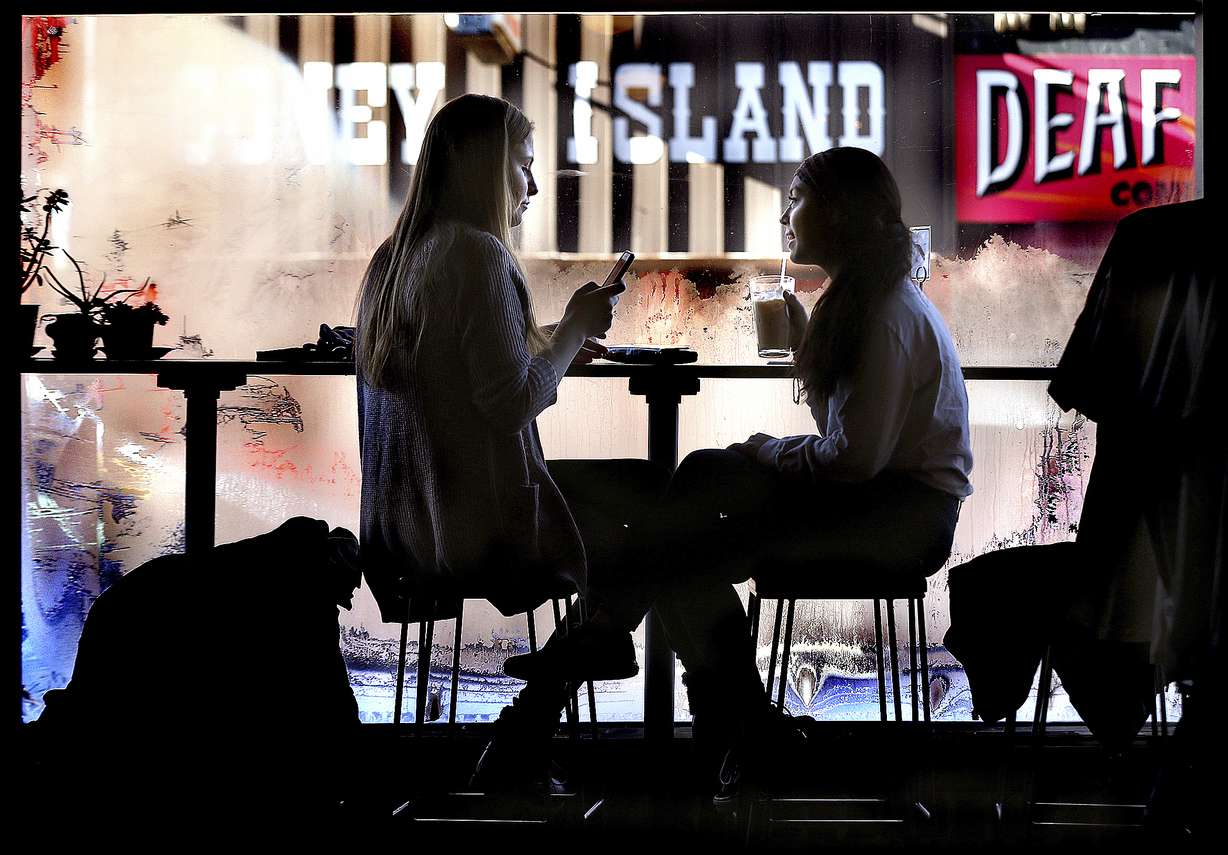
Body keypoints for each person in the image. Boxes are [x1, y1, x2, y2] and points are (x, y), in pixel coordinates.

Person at [509, 147, 974, 797]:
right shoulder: (868, 298)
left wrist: (764, 450)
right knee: (691, 511)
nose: (788, 213)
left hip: (899, 515)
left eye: (798, 197)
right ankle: (729, 726)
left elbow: (852, 459)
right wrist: (810, 361)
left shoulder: (885, 311)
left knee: (685, 528)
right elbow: (849, 442)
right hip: (881, 502)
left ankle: (637, 668)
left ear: (838, 212)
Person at [354, 94, 666, 792]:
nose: (531, 185)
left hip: (402, 531)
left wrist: (554, 341)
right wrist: (579, 329)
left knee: (641, 506)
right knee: (656, 497)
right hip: (480, 529)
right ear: (483, 169)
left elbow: (466, 375)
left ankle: (552, 692)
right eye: (522, 166)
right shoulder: (477, 254)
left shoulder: (392, 263)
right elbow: (510, 402)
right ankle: (552, 694)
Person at [21, 516, 363, 833]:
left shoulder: (260, 565)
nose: (338, 606)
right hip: (141, 637)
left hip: (130, 617)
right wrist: (358, 783)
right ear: (327, 571)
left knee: (92, 714)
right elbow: (332, 703)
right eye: (339, 596)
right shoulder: (298, 593)